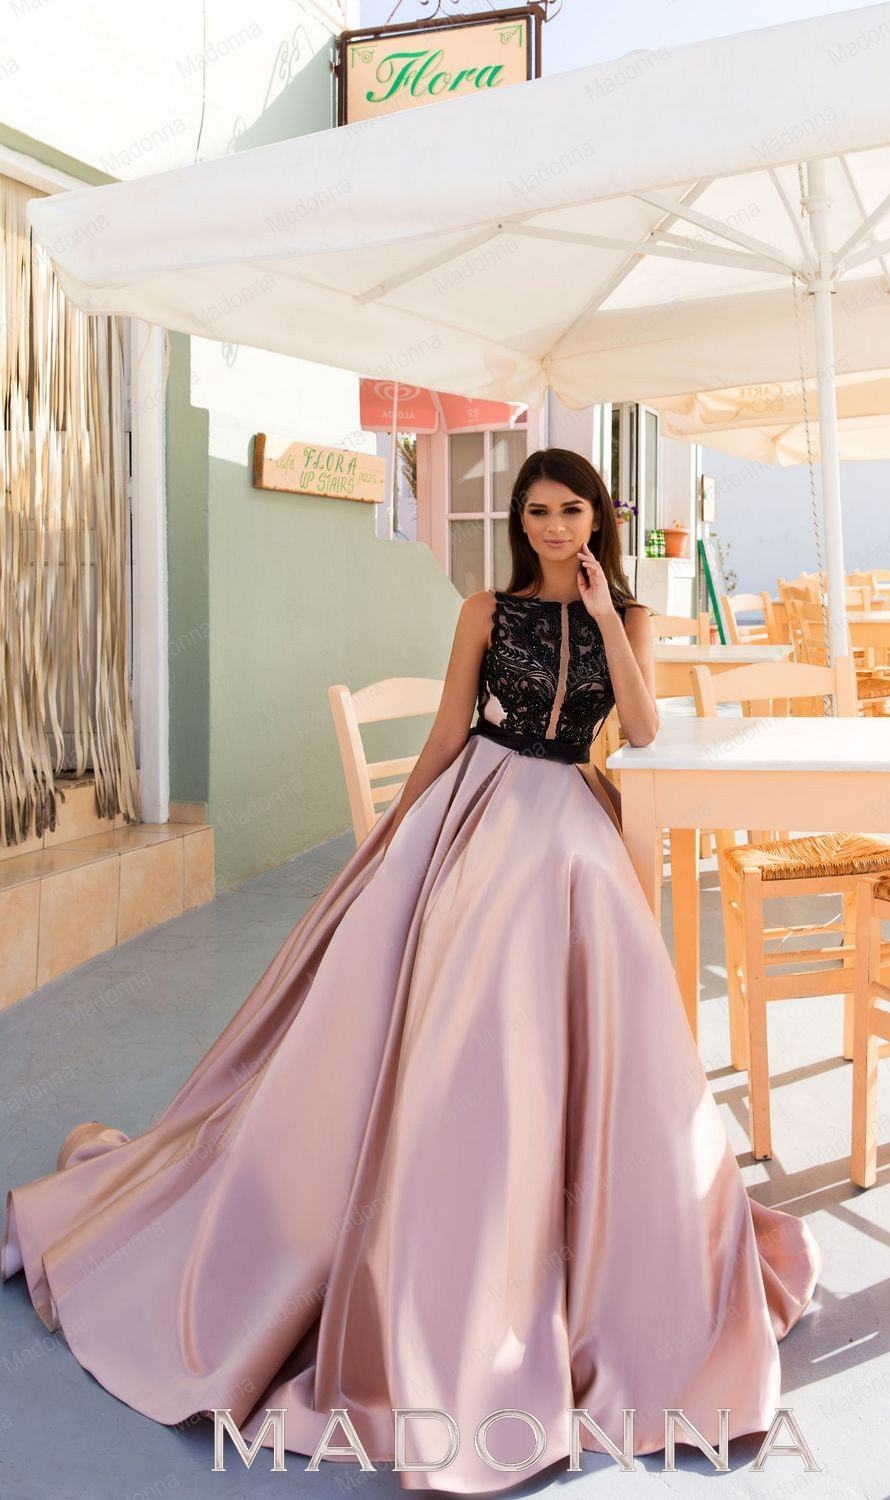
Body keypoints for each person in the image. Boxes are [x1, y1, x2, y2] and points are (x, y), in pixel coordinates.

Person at [1, 447, 821, 1491]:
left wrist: (605, 616)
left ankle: (572, 1231)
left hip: (573, 822)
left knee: (593, 1014)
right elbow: (446, 734)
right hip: (479, 807)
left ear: (596, 521)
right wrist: (396, 833)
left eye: (572, 511)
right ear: (519, 521)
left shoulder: (630, 616)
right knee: (456, 1007)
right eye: (538, 512)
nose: (554, 528)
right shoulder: (484, 611)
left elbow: (643, 729)